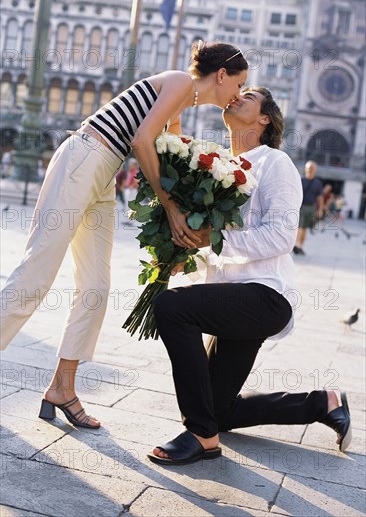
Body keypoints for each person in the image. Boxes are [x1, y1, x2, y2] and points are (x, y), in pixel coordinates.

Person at [0, 42, 249, 429]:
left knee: (96, 286)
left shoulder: (183, 102)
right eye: (240, 83)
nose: (239, 94)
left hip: (102, 174)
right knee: (37, 274)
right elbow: (142, 140)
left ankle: (62, 387)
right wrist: (170, 206)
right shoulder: (182, 82)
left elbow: (170, 154)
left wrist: (196, 201)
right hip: (85, 155)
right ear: (222, 75)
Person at [148, 87, 351, 465]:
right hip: (233, 298)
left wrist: (216, 237)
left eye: (250, 95)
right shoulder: (217, 163)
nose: (237, 95)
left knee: (172, 307)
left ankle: (200, 437)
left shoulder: (276, 164)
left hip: (264, 296)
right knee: (218, 410)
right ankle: (323, 402)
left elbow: (280, 236)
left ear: (265, 119)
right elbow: (218, 240)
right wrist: (186, 250)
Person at [293, 160, 324, 255]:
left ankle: (300, 246)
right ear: (306, 169)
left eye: (312, 168)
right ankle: (296, 245)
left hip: (311, 208)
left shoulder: (317, 183)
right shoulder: (300, 180)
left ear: (315, 170)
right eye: (309, 168)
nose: (310, 170)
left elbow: (320, 197)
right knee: (300, 227)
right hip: (301, 207)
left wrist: (320, 209)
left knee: (305, 228)